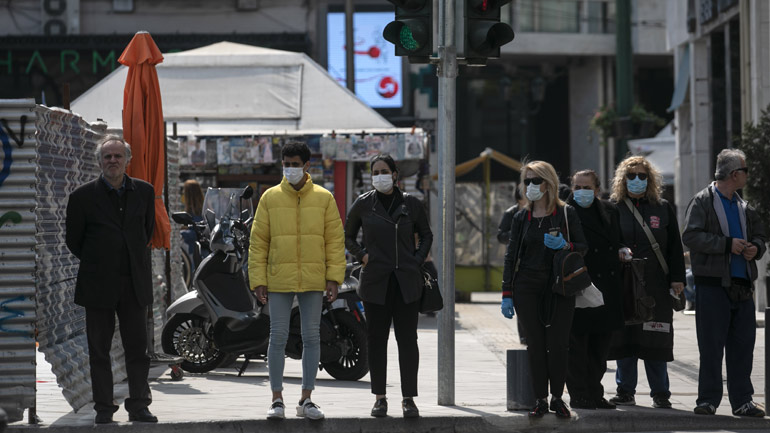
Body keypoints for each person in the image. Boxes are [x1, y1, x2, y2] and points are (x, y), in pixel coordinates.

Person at [248, 141, 346, 421]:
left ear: (307, 166)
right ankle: (276, 399)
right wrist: (258, 279)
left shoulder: (324, 198)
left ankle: (307, 398)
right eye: (286, 164)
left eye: (295, 164)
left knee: (311, 337)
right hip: (278, 277)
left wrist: (333, 277)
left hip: (314, 279)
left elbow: (334, 241)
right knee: (277, 336)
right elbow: (258, 243)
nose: (290, 169)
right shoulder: (269, 198)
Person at [65, 136, 157, 424]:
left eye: (118, 156)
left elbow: (147, 231)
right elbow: (74, 240)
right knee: (99, 350)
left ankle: (139, 405)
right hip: (98, 284)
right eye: (108, 157)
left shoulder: (144, 192)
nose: (113, 161)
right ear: (100, 161)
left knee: (137, 350)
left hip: (134, 283)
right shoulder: (81, 197)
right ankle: (104, 408)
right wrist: (101, 260)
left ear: (127, 159)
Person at [344, 154, 433, 418]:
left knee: (408, 341)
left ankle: (409, 399)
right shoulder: (363, 204)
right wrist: (362, 255)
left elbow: (426, 234)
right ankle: (380, 398)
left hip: (406, 281)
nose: (379, 176)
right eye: (375, 172)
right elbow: (347, 235)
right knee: (376, 340)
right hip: (375, 282)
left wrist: (416, 260)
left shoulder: (411, 204)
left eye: (384, 171)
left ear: (395, 174)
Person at [682, 148, 767, 417]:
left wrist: (756, 247)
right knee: (711, 346)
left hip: (742, 285)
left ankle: (742, 401)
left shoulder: (744, 206)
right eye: (745, 170)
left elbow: (760, 237)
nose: (747, 176)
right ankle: (707, 400)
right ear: (734, 174)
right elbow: (691, 237)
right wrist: (727, 245)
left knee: (742, 347)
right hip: (712, 285)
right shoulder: (703, 201)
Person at [500, 160, 587, 418]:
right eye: (526, 181)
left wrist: (565, 245)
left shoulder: (566, 213)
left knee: (558, 344)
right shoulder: (521, 216)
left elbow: (582, 246)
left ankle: (558, 398)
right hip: (527, 286)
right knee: (535, 344)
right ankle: (540, 398)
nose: (530, 186)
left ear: (548, 184)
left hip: (559, 286)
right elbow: (510, 255)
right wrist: (507, 293)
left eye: (535, 180)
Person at [608, 156, 686, 409]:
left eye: (643, 176)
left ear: (650, 179)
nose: (637, 180)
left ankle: (661, 393)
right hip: (624, 284)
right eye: (632, 176)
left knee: (656, 337)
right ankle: (625, 390)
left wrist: (677, 280)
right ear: (623, 179)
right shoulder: (613, 208)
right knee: (625, 339)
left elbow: (675, 246)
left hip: (656, 285)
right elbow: (606, 242)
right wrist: (618, 249)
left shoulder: (662, 208)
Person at [565, 170, 625, 410]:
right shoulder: (565, 211)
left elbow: (616, 240)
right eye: (577, 187)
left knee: (601, 346)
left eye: (587, 187)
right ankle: (579, 394)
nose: (581, 192)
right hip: (580, 284)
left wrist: (623, 250)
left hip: (607, 286)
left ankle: (595, 391)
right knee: (577, 346)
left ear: (597, 190)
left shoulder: (610, 211)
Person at [496, 186, 528, 344]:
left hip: (532, 261)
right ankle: (523, 335)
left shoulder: (538, 211)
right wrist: (515, 234)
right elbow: (500, 235)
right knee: (520, 300)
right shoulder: (511, 213)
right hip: (515, 260)